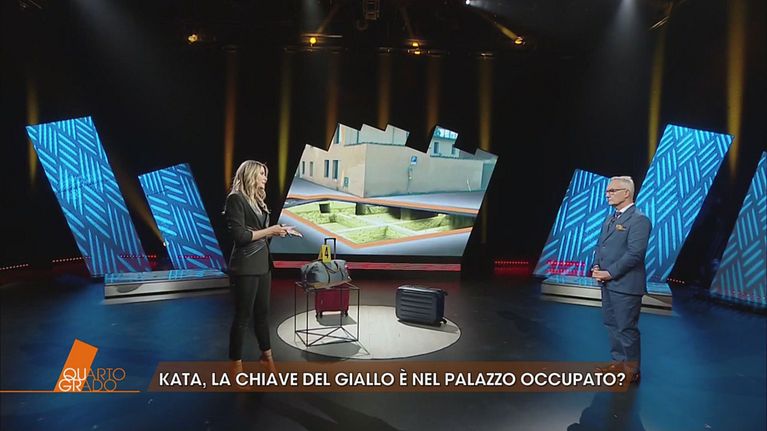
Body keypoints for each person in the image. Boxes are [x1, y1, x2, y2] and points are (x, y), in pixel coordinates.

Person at [224, 160, 299, 372]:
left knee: (263, 315)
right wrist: (270, 231)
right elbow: (240, 236)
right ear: (250, 175)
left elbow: (258, 231)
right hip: (245, 266)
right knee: (242, 317)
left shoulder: (257, 200)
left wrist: (281, 230)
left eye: (265, 174)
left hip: (263, 264)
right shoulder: (235, 199)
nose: (265, 178)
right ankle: (235, 368)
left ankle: (267, 359)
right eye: (261, 174)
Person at [592, 176, 651, 383]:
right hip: (607, 283)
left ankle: (632, 370)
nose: (607, 194)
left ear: (626, 193)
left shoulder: (639, 220)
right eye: (607, 191)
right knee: (611, 324)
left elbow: (635, 254)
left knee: (626, 327)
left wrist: (610, 272)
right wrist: (596, 266)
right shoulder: (610, 218)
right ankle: (618, 363)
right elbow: (601, 245)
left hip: (626, 285)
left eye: (612, 191)